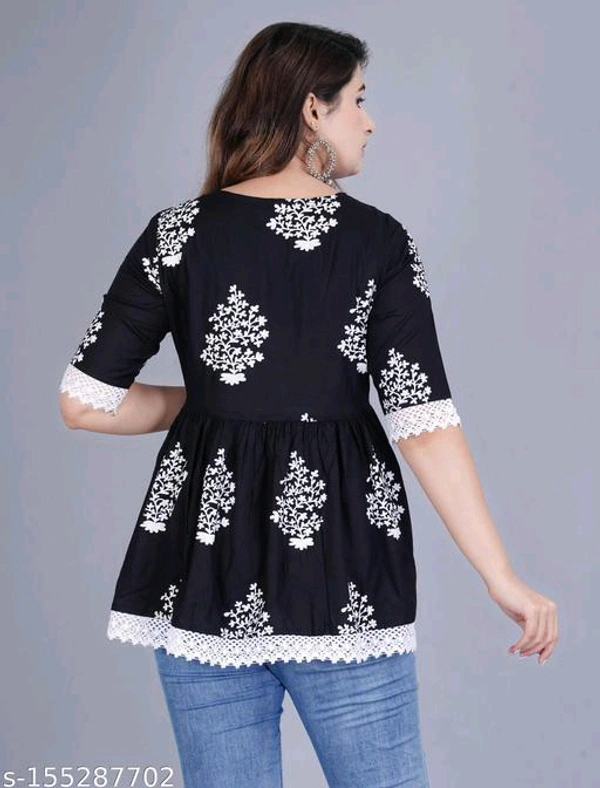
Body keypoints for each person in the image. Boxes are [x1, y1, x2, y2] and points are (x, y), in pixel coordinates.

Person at [58, 21, 559, 788]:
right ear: (312, 110)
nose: (370, 120)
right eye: (357, 99)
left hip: (201, 576)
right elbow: (422, 422)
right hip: (343, 572)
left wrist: (217, 400)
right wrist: (501, 575)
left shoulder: (178, 233)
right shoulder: (376, 242)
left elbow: (86, 404)